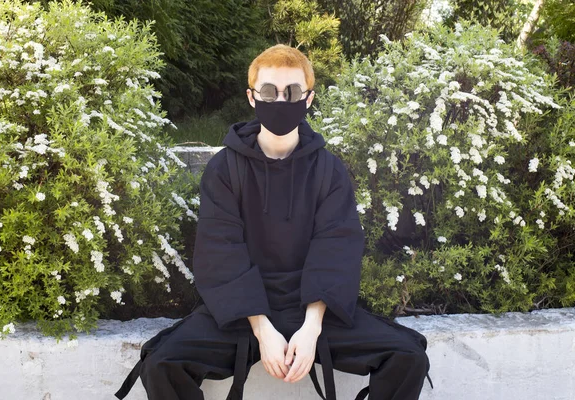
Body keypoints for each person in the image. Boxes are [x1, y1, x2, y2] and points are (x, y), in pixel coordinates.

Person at [114, 44, 432, 400]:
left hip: (312, 308)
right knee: (162, 364)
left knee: (408, 356)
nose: (280, 100)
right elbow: (220, 251)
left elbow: (336, 247)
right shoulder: (225, 169)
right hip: (243, 311)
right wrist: (262, 330)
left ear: (308, 99)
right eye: (269, 91)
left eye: (292, 92)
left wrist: (311, 328)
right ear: (252, 97)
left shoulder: (329, 170)